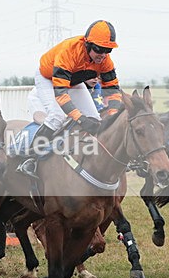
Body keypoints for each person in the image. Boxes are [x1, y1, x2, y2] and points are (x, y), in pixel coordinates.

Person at [18, 19, 122, 178]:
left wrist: (113, 115)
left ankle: (88, 160)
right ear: (87, 44)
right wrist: (80, 118)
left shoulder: (105, 61)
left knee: (95, 118)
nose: (103, 55)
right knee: (57, 117)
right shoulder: (70, 51)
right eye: (99, 49)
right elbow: (60, 94)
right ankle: (29, 159)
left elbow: (113, 90)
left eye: (108, 50)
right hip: (48, 78)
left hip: (73, 80)